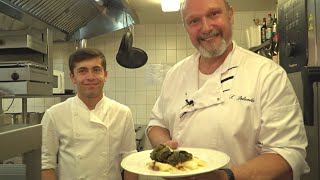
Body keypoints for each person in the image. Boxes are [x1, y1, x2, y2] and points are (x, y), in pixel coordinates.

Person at [147, 0, 310, 179]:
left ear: (230, 15)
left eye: (213, 14)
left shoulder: (267, 74)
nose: (206, 27)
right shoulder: (175, 74)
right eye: (194, 21)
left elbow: (287, 154)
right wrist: (166, 148)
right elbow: (157, 124)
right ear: (186, 27)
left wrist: (225, 177)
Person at [41, 48, 138, 180]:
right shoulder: (54, 114)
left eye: (96, 70)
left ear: (105, 75)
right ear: (72, 77)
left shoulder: (122, 113)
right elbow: (46, 163)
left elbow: (130, 159)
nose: (90, 77)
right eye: (82, 71)